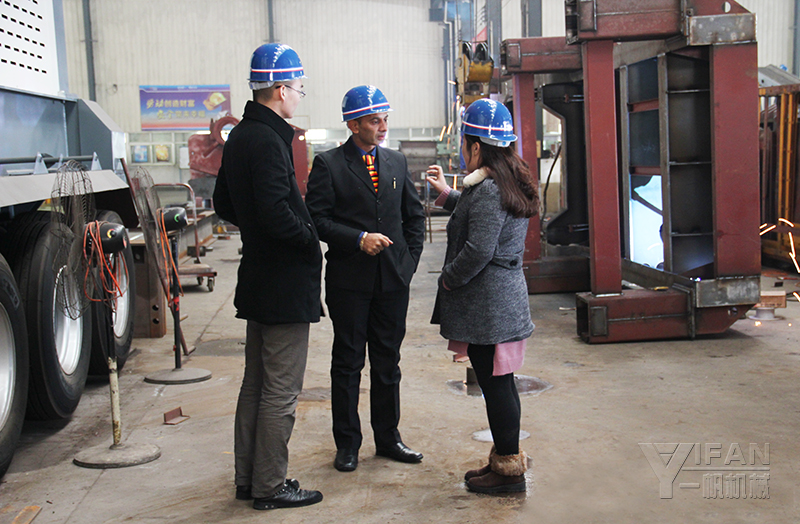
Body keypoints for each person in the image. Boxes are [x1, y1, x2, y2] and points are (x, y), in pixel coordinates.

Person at [212, 43, 323, 511]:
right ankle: (271, 485)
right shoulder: (269, 139)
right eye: (298, 88)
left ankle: (249, 479)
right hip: (283, 284)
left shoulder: (241, 135)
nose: (299, 96)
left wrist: (257, 230)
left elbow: (223, 202)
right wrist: (309, 239)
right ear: (280, 89)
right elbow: (278, 212)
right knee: (280, 389)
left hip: (259, 278)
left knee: (255, 385)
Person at [305, 85, 426, 473]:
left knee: (388, 363)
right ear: (353, 125)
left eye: (385, 119)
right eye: (375, 121)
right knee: (348, 363)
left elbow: (414, 217)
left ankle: (388, 438)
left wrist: (408, 263)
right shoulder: (329, 165)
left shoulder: (396, 162)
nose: (383, 127)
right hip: (350, 282)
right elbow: (317, 220)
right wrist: (358, 239)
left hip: (393, 281)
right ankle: (348, 444)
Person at [426, 98, 537, 494]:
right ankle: (504, 461)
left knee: (496, 386)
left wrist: (448, 280)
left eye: (465, 143)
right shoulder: (502, 180)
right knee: (499, 384)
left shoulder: (489, 188)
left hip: (491, 305)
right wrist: (446, 193)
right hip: (500, 302)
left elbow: (478, 249)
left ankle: (508, 473)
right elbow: (481, 215)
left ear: (476, 147)